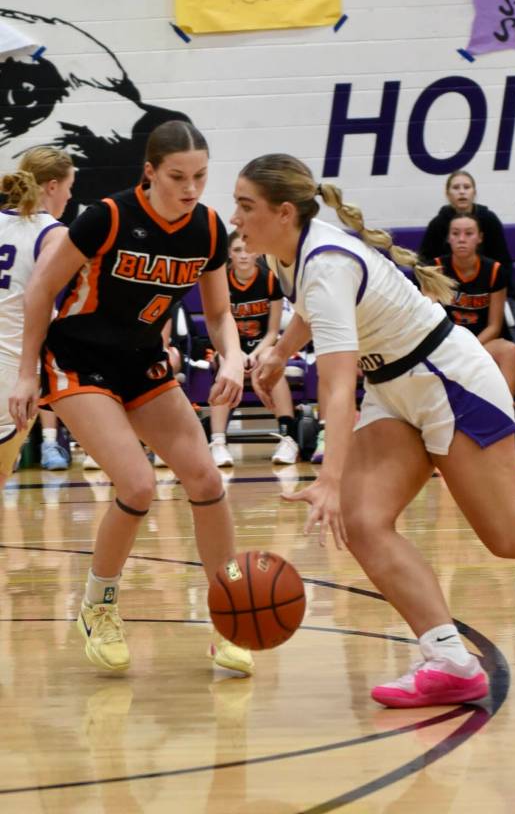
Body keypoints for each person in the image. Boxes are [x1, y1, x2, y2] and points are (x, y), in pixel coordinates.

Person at [230, 153, 515, 710]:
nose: (235, 218)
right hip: (395, 387)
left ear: (283, 211)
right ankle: (450, 661)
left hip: (450, 381)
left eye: (245, 206)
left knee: (507, 535)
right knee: (365, 523)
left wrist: (329, 477)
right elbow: (313, 315)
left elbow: (337, 388)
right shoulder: (293, 254)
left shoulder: (324, 264)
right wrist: (279, 351)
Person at [9, 120, 252, 678]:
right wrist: (27, 374)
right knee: (138, 484)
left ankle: (227, 616)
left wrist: (233, 357)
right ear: (149, 172)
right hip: (76, 356)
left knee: (206, 479)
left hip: (140, 359)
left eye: (200, 176)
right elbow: (42, 288)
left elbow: (217, 313)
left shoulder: (209, 230)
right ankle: (98, 604)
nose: (190, 188)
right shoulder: (107, 216)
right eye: (177, 176)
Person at [433, 212, 515, 449]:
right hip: (445, 342)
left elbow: (495, 325)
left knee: (510, 350)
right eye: (456, 234)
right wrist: (456, 345)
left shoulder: (494, 271)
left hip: (481, 341)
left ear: (480, 238)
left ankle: (504, 413)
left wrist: (470, 346)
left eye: (468, 233)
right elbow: (429, 317)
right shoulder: (436, 269)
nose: (462, 239)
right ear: (448, 239)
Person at [1, 147, 74, 483]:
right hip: (12, 368)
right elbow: (38, 299)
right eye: (70, 187)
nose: (71, 197)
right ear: (53, 186)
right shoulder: (54, 233)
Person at [208, 231, 300, 468]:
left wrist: (256, 353)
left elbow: (272, 332)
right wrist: (235, 353)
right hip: (230, 345)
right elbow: (217, 324)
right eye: (237, 250)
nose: (243, 255)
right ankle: (217, 441)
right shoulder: (221, 280)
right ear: (229, 253)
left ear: (257, 252)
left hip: (263, 345)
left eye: (247, 249)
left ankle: (287, 437)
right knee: (226, 365)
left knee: (272, 361)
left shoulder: (269, 279)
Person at [418, 169, 513, 286]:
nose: (462, 192)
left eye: (467, 187)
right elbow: (424, 264)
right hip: (448, 289)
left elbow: (503, 261)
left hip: (486, 288)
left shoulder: (489, 219)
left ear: (474, 193)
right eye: (456, 187)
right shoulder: (438, 224)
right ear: (447, 194)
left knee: (514, 305)